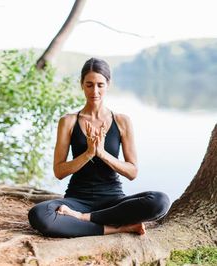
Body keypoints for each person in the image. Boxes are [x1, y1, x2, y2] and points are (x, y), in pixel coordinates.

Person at [28, 58, 170, 238]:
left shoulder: (121, 121)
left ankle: (83, 219)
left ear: (108, 85)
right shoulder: (68, 121)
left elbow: (132, 172)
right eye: (89, 85)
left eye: (100, 85)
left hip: (113, 201)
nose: (94, 91)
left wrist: (102, 153)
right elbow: (59, 171)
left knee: (160, 202)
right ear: (81, 85)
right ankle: (117, 228)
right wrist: (88, 153)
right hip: (76, 199)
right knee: (39, 214)